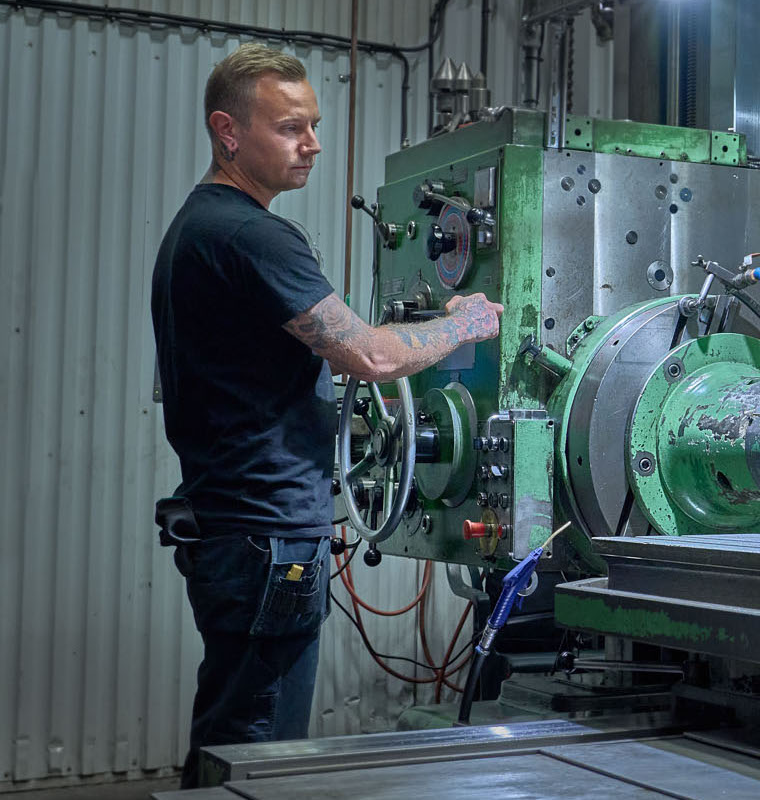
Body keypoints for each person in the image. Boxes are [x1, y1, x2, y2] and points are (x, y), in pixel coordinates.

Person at [149, 43, 503, 786]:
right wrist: (466, 323)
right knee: (257, 755)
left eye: (313, 124)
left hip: (236, 528)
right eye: (290, 128)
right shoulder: (251, 234)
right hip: (268, 536)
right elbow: (370, 357)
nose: (312, 143)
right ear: (228, 132)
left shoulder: (199, 226)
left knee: (231, 733)